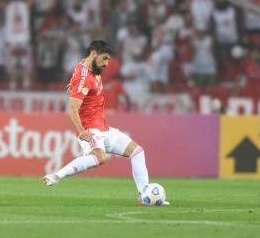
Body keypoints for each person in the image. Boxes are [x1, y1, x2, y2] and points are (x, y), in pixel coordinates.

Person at [42, 40, 169, 205]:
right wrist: (81, 131)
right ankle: (57, 175)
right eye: (105, 59)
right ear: (94, 54)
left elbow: (78, 75)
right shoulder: (85, 76)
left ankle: (144, 197)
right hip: (90, 129)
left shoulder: (86, 67)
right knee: (99, 158)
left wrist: (73, 85)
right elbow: (72, 108)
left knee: (137, 152)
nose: (107, 64)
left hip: (103, 128)